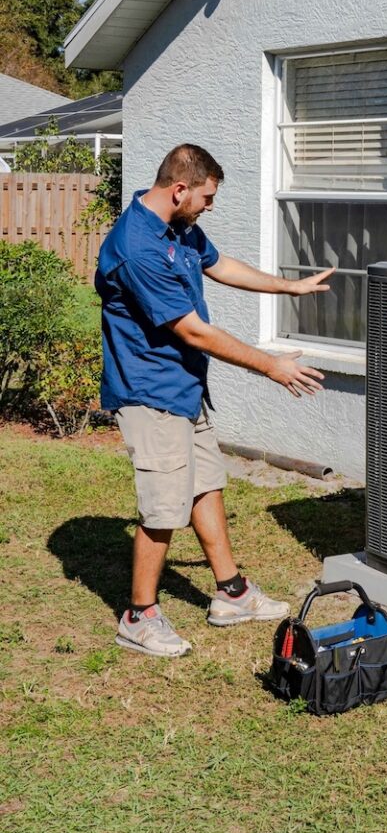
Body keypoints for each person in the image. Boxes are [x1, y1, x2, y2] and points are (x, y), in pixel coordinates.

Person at [95, 143, 333, 658]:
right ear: (179, 189)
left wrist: (288, 289)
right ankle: (139, 616)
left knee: (205, 485)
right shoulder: (137, 247)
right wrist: (272, 365)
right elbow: (194, 332)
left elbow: (220, 264)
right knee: (162, 507)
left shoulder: (178, 228)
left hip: (185, 387)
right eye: (206, 197)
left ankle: (231, 593)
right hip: (149, 389)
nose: (210, 206)